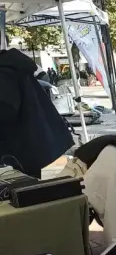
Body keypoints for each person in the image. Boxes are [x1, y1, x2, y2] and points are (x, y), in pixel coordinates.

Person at [0, 49, 74, 179]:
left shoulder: (5, 71)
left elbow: (6, 108)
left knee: (23, 186)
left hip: (19, 149)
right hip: (28, 146)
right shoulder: (12, 65)